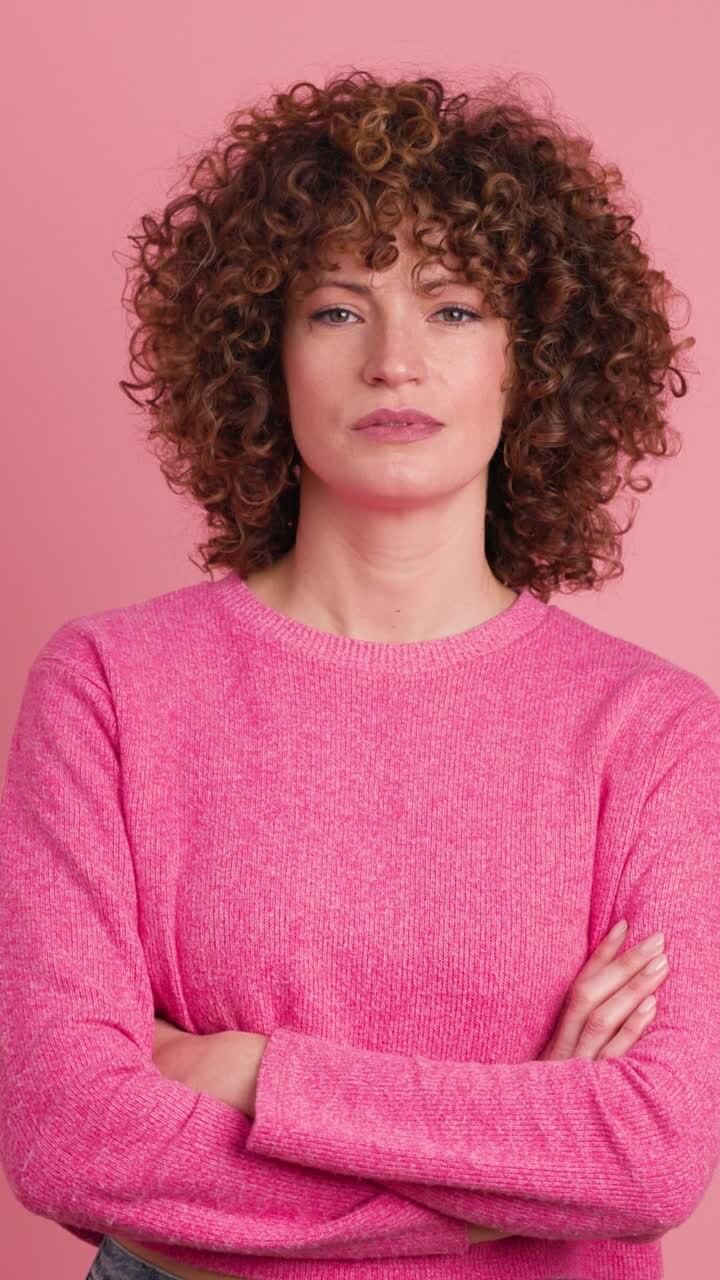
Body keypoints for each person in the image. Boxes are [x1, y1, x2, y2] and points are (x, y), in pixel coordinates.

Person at [1, 68, 718, 1280]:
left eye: (452, 308)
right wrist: (519, 1177)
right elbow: (70, 1137)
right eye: (338, 309)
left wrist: (262, 1074)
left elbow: (652, 1157)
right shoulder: (108, 685)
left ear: (530, 361)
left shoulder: (653, 728)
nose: (394, 359)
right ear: (261, 355)